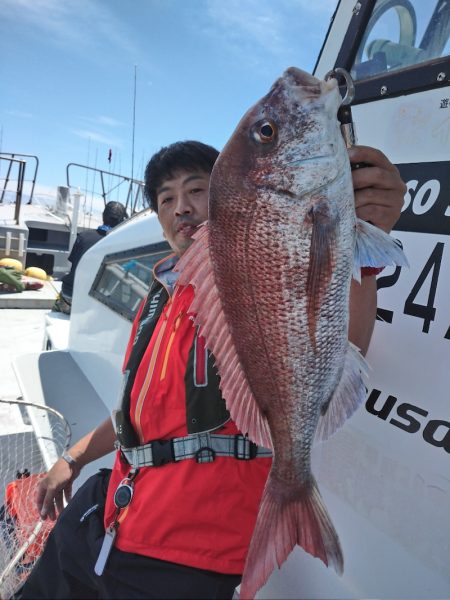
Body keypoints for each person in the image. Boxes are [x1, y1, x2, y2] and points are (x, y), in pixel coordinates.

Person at [21, 141, 405, 599]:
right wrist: (73, 458)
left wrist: (358, 238)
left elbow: (341, 348)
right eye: (166, 199)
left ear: (227, 197)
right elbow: (136, 412)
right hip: (104, 514)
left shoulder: (253, 281)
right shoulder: (156, 298)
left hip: (183, 558)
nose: (181, 207)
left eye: (197, 190)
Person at [54, 201, 128, 313]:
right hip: (92, 306)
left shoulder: (83, 236)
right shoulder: (120, 245)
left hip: (69, 297)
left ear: (103, 216)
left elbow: (73, 264)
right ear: (122, 221)